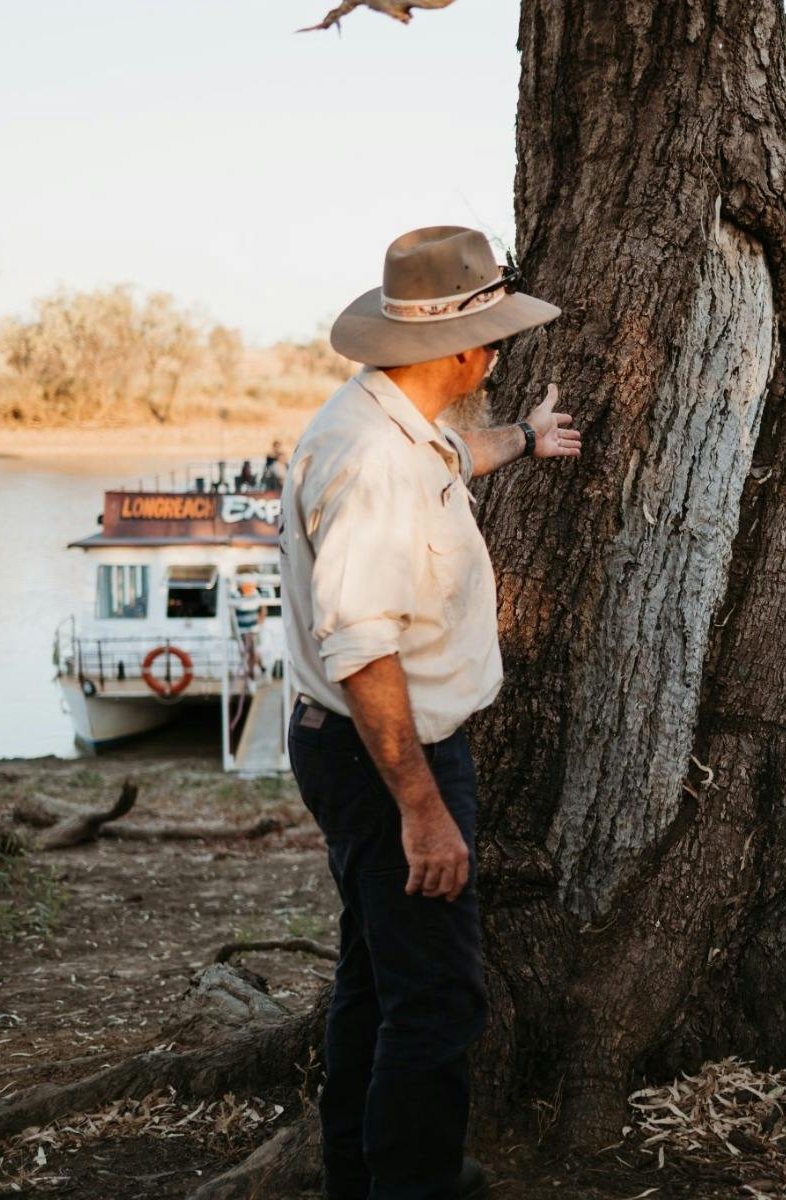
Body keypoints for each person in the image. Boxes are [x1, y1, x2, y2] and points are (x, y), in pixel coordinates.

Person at [280, 226, 580, 1200]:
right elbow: (362, 650)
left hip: (366, 750)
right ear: (461, 350)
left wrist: (527, 439)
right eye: (492, 336)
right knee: (438, 999)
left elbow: (453, 457)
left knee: (377, 981)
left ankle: (360, 1178)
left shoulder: (392, 425)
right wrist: (420, 807)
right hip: (386, 757)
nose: (497, 353)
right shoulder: (372, 462)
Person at [231, 577, 264, 678]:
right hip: (242, 629)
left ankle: (252, 671)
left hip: (254, 628)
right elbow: (232, 613)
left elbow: (262, 610)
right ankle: (257, 668)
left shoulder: (255, 593)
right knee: (250, 650)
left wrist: (260, 624)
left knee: (252, 650)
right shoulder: (235, 595)